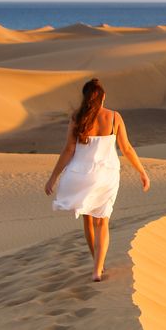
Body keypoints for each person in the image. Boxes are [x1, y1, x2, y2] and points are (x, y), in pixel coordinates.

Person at [45, 78, 150, 280]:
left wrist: (53, 177)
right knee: (102, 221)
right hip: (106, 174)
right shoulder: (114, 117)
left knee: (88, 218)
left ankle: (97, 263)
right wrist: (142, 172)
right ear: (102, 97)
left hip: (80, 174)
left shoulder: (77, 117)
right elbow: (126, 148)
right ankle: (97, 270)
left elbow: (68, 150)